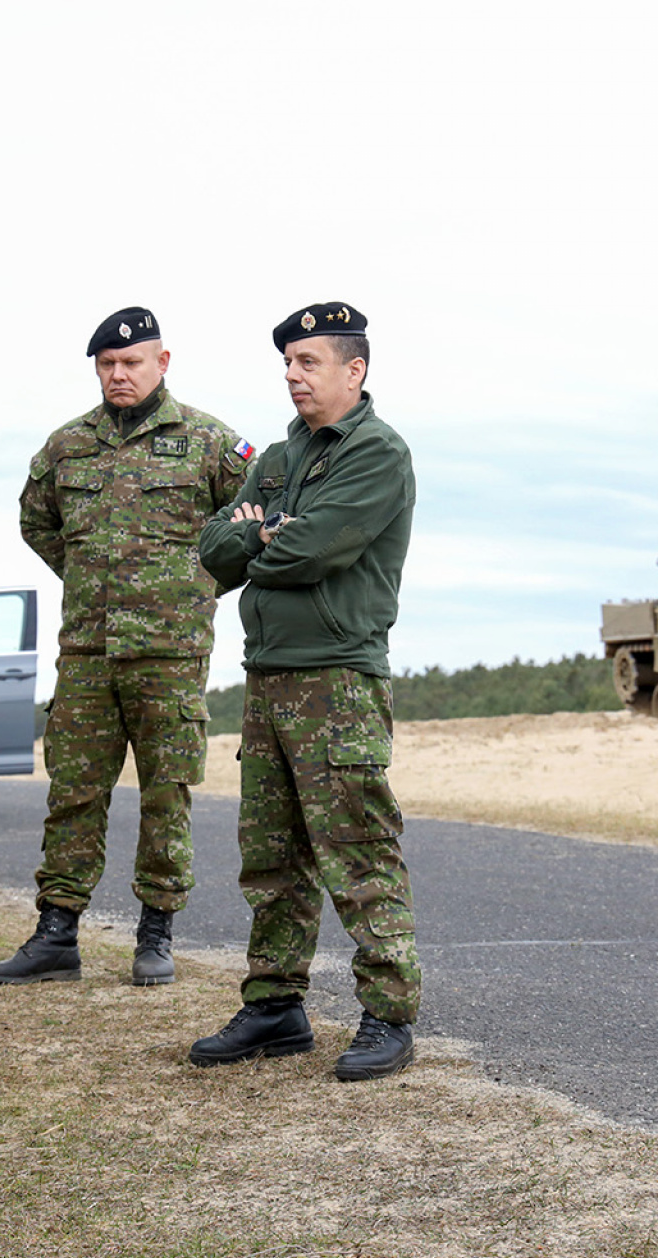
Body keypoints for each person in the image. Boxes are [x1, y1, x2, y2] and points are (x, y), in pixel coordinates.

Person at [0, 307, 253, 986]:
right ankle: (56, 931)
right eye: (107, 365)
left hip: (170, 653)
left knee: (167, 794)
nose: (118, 375)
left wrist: (194, 585)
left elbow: (251, 525)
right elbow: (38, 521)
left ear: (162, 363)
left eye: (131, 363)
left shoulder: (208, 443)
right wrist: (89, 578)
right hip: (87, 653)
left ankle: (156, 932)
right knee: (73, 791)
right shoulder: (67, 447)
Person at [188, 302, 420, 1082]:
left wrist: (264, 531)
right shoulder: (281, 455)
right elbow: (215, 554)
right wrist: (260, 530)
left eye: (308, 361)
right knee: (272, 855)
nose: (292, 374)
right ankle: (276, 1005)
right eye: (287, 362)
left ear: (354, 370)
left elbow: (313, 551)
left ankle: (388, 1013)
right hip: (268, 676)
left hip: (336, 680)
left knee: (356, 851)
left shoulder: (378, 453)